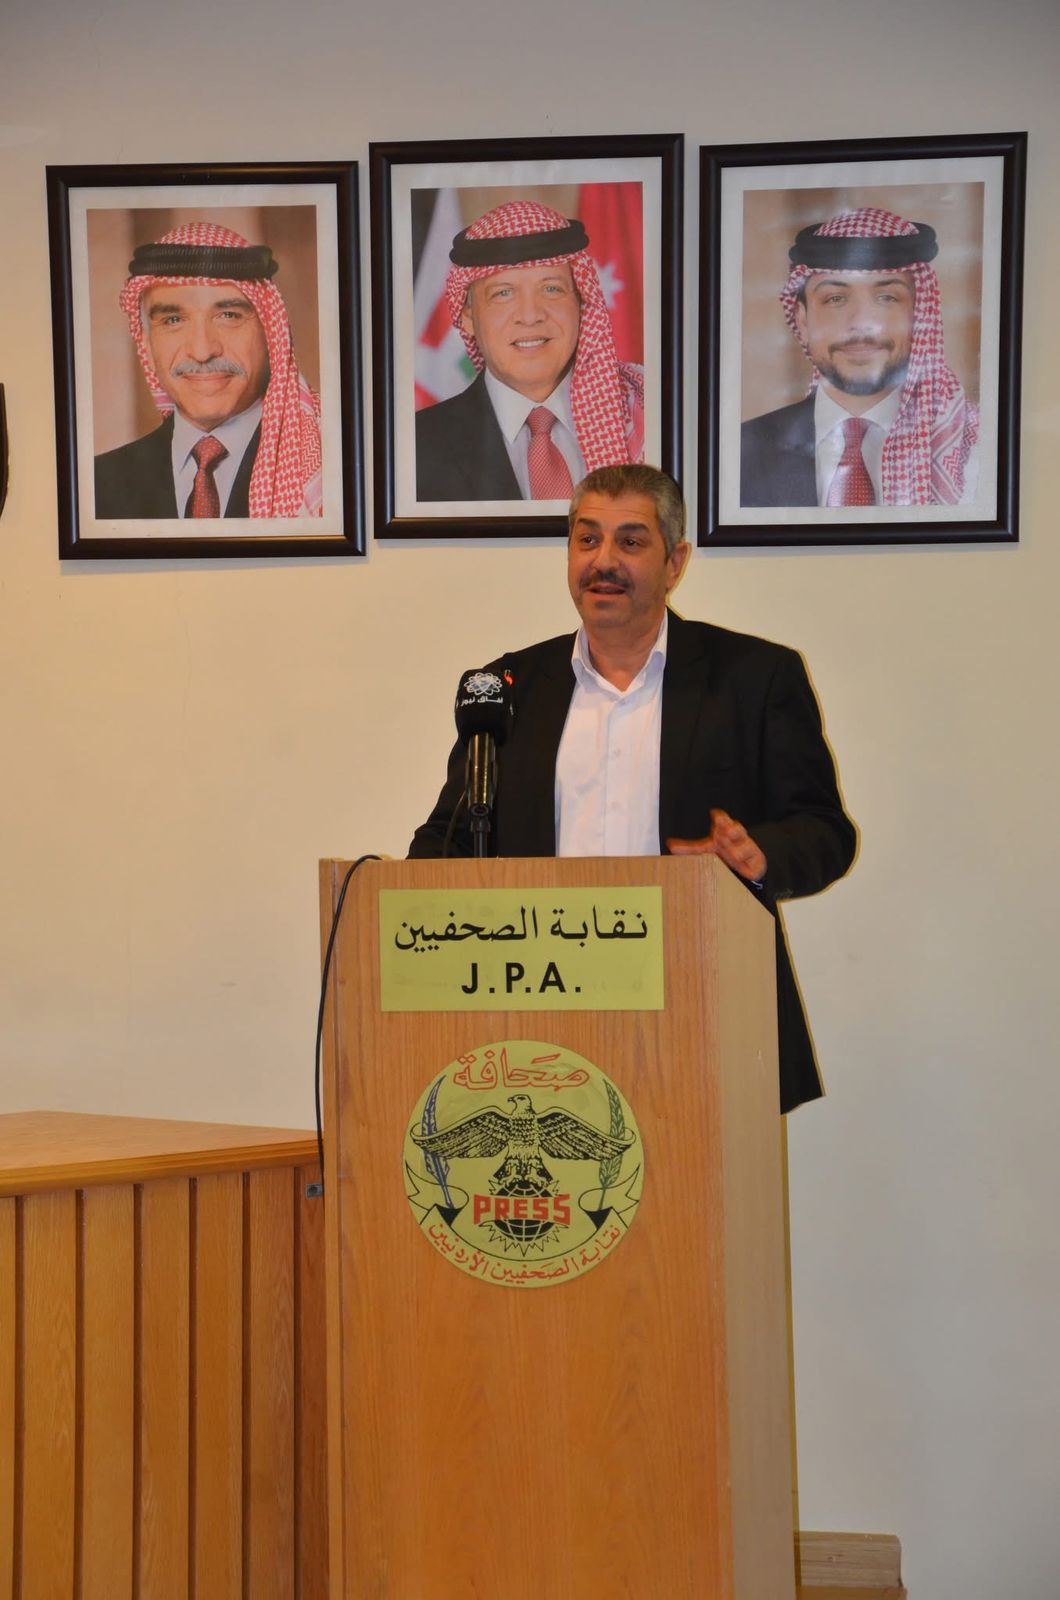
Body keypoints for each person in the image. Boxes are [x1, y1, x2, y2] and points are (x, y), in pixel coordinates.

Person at [408, 463, 856, 1112]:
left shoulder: (753, 678)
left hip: (698, 999)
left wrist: (759, 856)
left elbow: (824, 830)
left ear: (675, 562)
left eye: (631, 542)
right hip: (532, 1012)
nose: (604, 562)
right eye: (587, 540)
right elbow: (447, 837)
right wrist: (394, 901)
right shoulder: (509, 687)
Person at [741, 207, 979, 509]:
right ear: (802, 319)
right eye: (835, 299)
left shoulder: (975, 448)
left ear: (920, 314)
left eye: (887, 298)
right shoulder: (739, 452)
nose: (862, 323)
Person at [415, 200, 644, 502]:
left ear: (581, 301)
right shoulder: (416, 446)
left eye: (552, 289)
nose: (531, 315)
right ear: (467, 316)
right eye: (503, 293)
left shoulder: (644, 413)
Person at [94, 221, 323, 520]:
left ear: (271, 334)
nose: (202, 351)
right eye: (173, 320)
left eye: (228, 315)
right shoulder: (97, 485)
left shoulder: (327, 471)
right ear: (147, 345)